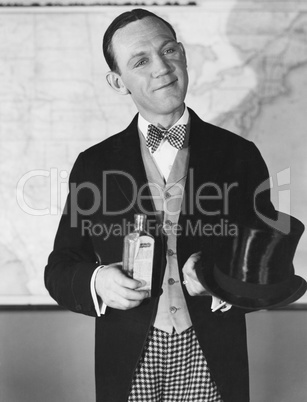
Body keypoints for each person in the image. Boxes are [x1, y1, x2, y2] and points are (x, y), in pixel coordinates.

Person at [45, 8, 276, 402]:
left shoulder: (241, 155)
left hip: (213, 353)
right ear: (118, 82)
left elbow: (266, 263)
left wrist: (222, 284)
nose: (161, 67)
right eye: (141, 60)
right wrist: (96, 281)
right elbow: (61, 266)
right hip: (128, 356)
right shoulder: (94, 164)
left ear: (184, 55)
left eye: (168, 50)